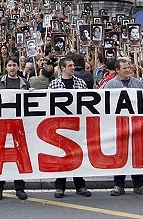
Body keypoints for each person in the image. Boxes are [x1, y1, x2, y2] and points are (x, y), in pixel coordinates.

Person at [102, 57, 143, 196]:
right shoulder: (110, 85)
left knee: (137, 154)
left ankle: (139, 184)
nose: (128, 70)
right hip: (119, 125)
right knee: (120, 155)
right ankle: (118, 185)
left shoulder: (137, 83)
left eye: (128, 67)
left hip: (136, 124)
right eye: (124, 68)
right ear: (117, 70)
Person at [0, 57, 31, 201]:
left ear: (19, 66)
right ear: (6, 67)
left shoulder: (24, 83)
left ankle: (20, 188)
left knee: (19, 156)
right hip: (2, 124)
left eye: (14, 65)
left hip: (19, 125)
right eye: (10, 65)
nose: (12, 68)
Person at [49, 57, 91, 198]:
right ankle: (60, 186)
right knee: (62, 157)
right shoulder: (54, 85)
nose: (73, 67)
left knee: (78, 156)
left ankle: (80, 185)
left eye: (73, 65)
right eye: (70, 65)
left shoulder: (81, 83)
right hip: (60, 126)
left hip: (77, 126)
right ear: (62, 68)